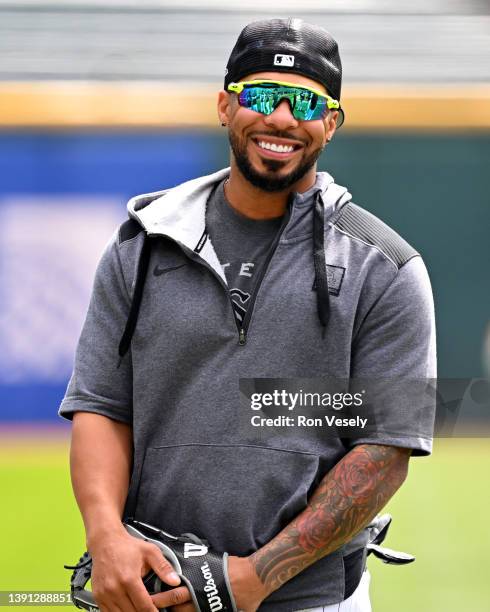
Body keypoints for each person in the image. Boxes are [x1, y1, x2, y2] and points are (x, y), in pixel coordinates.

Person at [60, 17, 436, 612]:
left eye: (305, 102)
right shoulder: (140, 245)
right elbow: (103, 406)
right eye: (261, 95)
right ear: (225, 106)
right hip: (152, 590)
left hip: (311, 599)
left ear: (331, 123)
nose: (281, 118)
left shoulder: (385, 267)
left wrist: (256, 576)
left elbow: (383, 451)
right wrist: (105, 536)